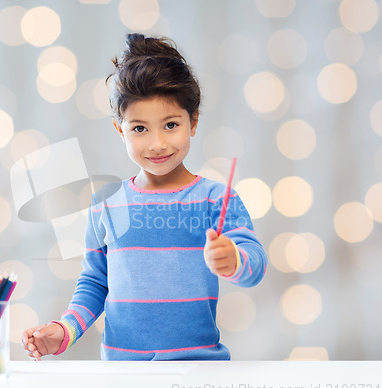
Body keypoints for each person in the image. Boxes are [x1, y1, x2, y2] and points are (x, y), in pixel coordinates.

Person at [22, 33, 267, 361]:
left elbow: (255, 266)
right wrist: (66, 329)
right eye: (140, 128)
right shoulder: (105, 204)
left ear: (193, 122)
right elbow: (95, 282)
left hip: (199, 370)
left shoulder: (216, 199)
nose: (157, 144)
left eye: (170, 125)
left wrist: (234, 259)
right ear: (119, 129)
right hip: (124, 374)